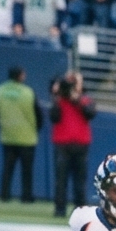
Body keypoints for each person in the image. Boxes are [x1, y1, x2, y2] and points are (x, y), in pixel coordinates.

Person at [46, 71, 95, 218]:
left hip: (80, 144)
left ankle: (80, 210)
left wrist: (77, 98)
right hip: (62, 143)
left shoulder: (85, 99)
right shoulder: (59, 100)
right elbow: (54, 117)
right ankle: (60, 209)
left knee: (80, 179)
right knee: (61, 179)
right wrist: (56, 96)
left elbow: (90, 113)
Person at [0, 67, 40, 205]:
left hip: (7, 135)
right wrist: (36, 128)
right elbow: (37, 112)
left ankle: (4, 195)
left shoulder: (0, 91)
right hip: (27, 137)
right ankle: (26, 196)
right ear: (20, 76)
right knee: (27, 170)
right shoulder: (28, 92)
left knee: (7, 168)